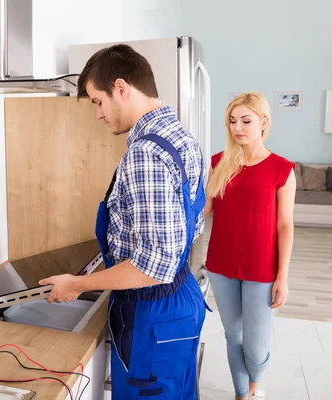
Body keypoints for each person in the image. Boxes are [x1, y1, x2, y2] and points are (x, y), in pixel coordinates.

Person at [39, 44, 209, 400]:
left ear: (121, 88)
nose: (99, 114)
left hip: (152, 313)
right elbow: (189, 228)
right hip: (179, 297)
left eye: (97, 101)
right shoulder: (180, 136)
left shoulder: (145, 154)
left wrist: (78, 285)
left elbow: (153, 266)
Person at [203, 92, 296, 400]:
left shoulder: (282, 169)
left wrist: (282, 276)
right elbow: (203, 211)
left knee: (255, 348)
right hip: (220, 265)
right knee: (233, 335)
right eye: (232, 121)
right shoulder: (219, 162)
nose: (237, 128)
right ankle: (243, 394)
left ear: (263, 122)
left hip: (261, 268)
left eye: (245, 120)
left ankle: (254, 379)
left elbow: (285, 225)